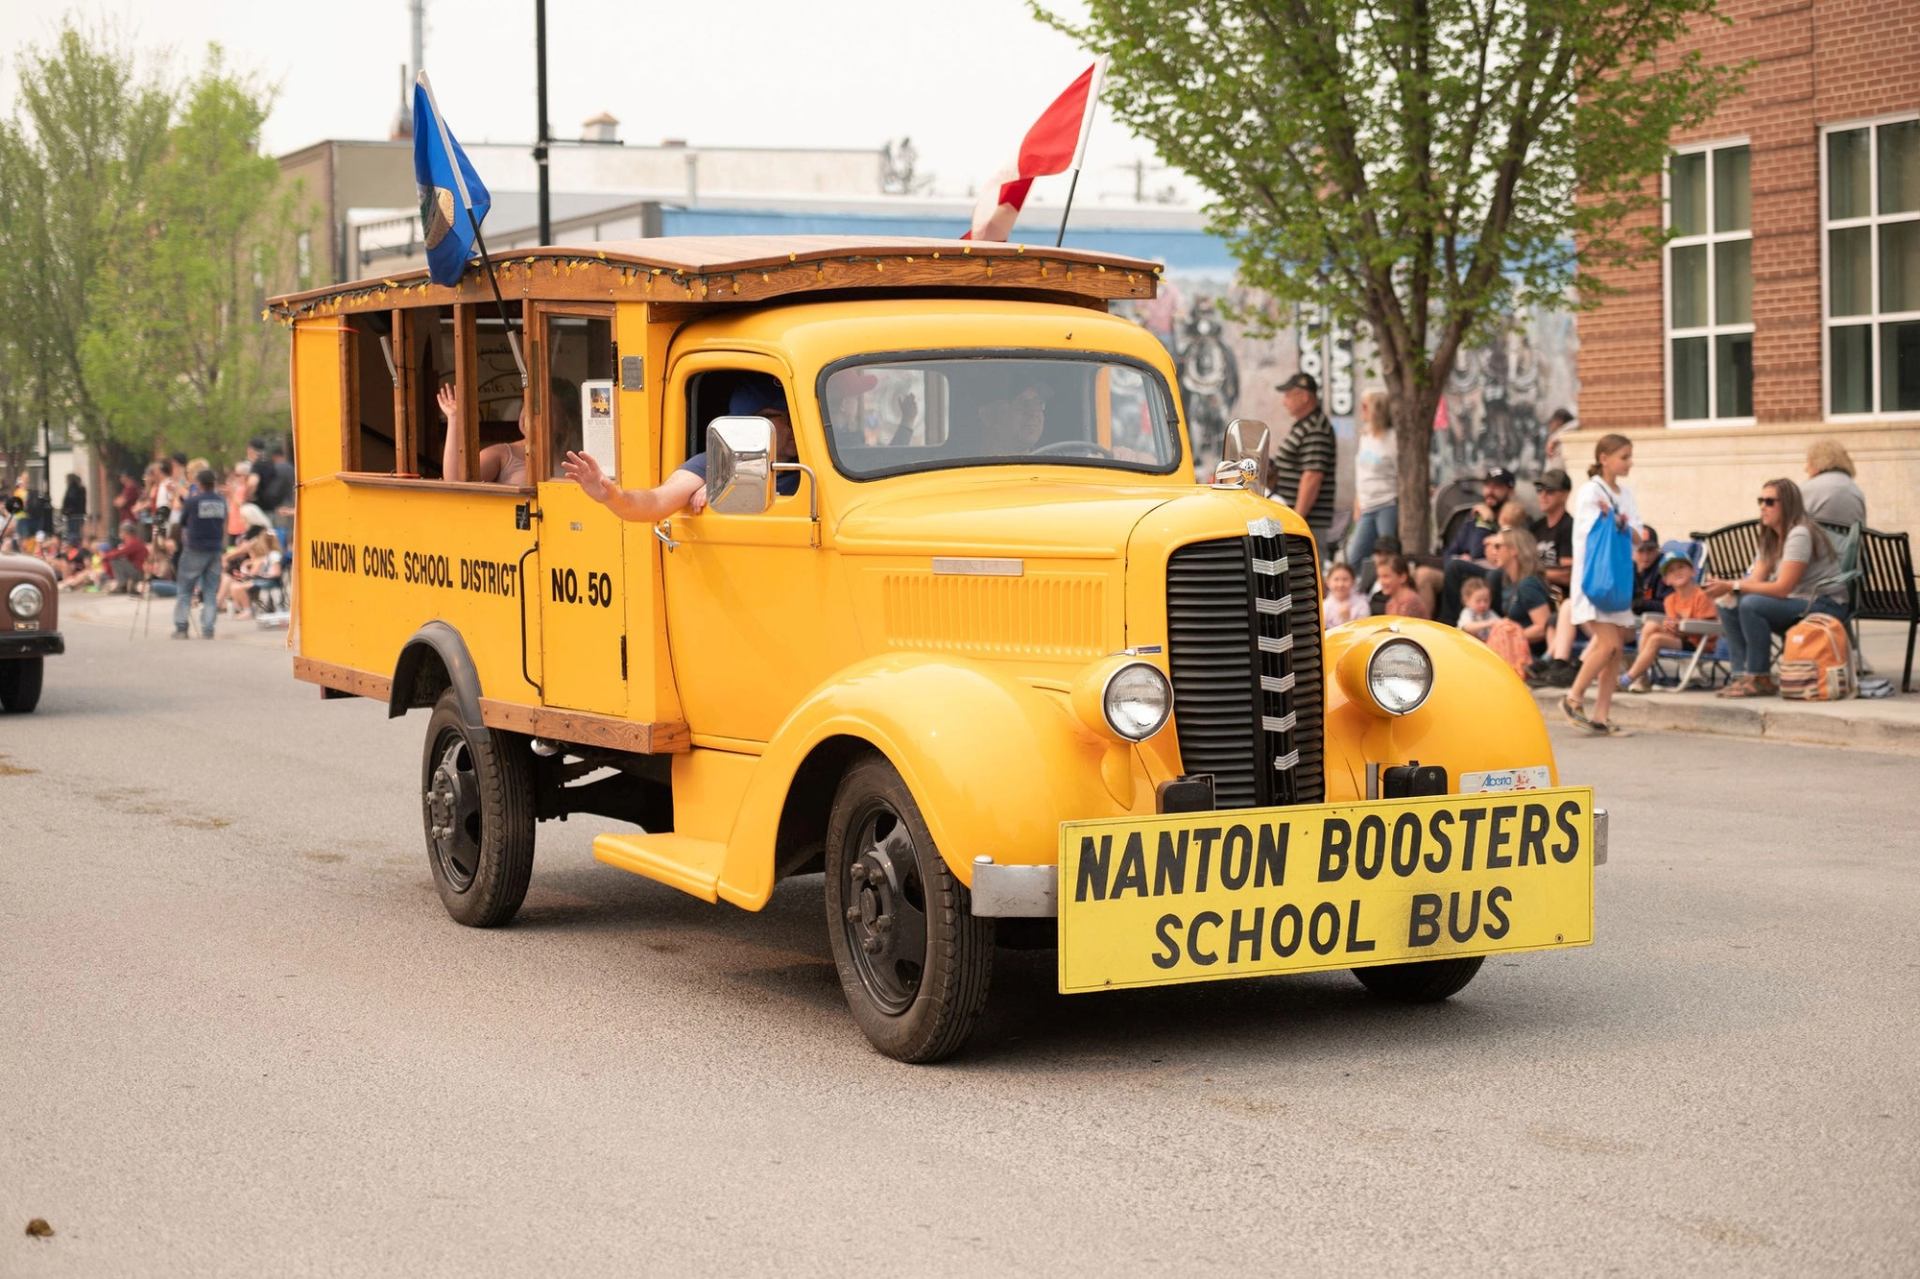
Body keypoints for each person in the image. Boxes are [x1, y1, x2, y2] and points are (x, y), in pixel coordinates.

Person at [564, 375, 798, 521]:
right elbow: (656, 502)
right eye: (785, 418)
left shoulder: (814, 460)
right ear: (750, 423)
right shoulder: (712, 465)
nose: (795, 427)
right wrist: (613, 497)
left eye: (797, 418)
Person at [1703, 477, 1850, 698]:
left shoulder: (1800, 533)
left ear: (1788, 504)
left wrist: (1732, 585)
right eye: (1760, 501)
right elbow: (1755, 581)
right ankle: (1741, 676)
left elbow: (1782, 588)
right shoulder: (1771, 537)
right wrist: (1725, 588)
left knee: (1751, 605)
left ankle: (1760, 678)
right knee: (1728, 603)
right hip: (1795, 601)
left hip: (1824, 604)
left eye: (1770, 502)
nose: (1763, 506)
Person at [1562, 433, 1640, 735]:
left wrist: (1620, 520)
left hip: (1617, 579)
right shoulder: (1590, 491)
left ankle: (1601, 715)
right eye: (1624, 457)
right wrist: (1618, 520)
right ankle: (1573, 698)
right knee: (1608, 644)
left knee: (1616, 650)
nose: (1629, 462)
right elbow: (1592, 531)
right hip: (1594, 578)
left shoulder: (1625, 494)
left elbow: (1638, 534)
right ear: (1604, 458)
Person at [1621, 550, 1718, 693]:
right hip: (1682, 639)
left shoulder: (1702, 596)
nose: (1677, 572)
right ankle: (1641, 677)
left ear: (1693, 572)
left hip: (1700, 644)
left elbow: (1709, 630)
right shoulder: (1670, 600)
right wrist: (1669, 626)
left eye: (1681, 567)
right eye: (1671, 571)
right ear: (1666, 580)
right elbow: (1674, 628)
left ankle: (1629, 678)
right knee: (1650, 626)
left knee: (1656, 639)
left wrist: (1681, 627)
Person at [1268, 371, 1337, 552]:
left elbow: (1312, 476)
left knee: (1308, 565)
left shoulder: (1315, 428)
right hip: (1299, 518)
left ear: (1304, 397)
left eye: (1288, 395)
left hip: (1308, 522)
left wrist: (1297, 519)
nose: (1284, 402)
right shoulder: (1305, 425)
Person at [1438, 466, 1517, 622]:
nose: (1490, 491)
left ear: (1510, 491)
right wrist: (1459, 558)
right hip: (1471, 568)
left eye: (1497, 487)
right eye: (1487, 486)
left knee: (1456, 567)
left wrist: (1487, 524)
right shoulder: (1475, 516)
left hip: (1497, 569)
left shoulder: (1514, 515)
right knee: (1435, 569)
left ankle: (1449, 622)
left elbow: (1477, 551)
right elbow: (1451, 550)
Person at [1482, 527, 1553, 677]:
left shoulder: (1528, 584)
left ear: (1514, 550)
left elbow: (1543, 627)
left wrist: (1507, 639)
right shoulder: (1508, 582)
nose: (1494, 551)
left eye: (1498, 546)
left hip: (1531, 656)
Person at [1344, 388, 1397, 589]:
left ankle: (1383, 592)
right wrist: (1358, 502)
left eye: (1365, 406)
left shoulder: (1392, 438)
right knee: (1354, 556)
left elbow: (1401, 474)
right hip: (1367, 505)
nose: (1362, 410)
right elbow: (1361, 474)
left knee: (1388, 558)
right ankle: (1359, 594)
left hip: (1387, 504)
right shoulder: (1365, 436)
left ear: (1377, 409)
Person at [171, 468, 227, 639]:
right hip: (215, 549)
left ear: (199, 484)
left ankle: (181, 627)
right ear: (214, 484)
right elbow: (224, 522)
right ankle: (208, 629)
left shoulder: (193, 501)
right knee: (210, 591)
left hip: (195, 548)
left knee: (185, 590)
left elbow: (182, 521)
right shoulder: (221, 501)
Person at [1801, 438, 1866, 529]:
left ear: (1817, 462)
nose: (1805, 468)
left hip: (1820, 538)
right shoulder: (1856, 491)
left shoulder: (1810, 488)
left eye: (1808, 461)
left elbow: (1791, 524)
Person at [1529, 469, 1575, 595]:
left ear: (1565, 495)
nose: (1543, 495)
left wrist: (1533, 572)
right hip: (1534, 589)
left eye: (1550, 491)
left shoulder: (1570, 527)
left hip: (1558, 595)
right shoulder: (1536, 527)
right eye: (1539, 489)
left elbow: (1568, 574)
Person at [97, 521, 150, 594]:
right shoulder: (132, 541)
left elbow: (120, 553)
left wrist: (105, 556)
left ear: (126, 532)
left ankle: (122, 585)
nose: (120, 534)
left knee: (115, 560)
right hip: (136, 569)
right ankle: (124, 584)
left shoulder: (133, 542)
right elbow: (120, 552)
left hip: (138, 571)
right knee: (118, 559)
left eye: (121, 532)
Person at [1372, 554, 1431, 619]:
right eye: (1379, 577)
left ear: (1402, 577)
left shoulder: (1410, 603)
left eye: (1386, 576)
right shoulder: (1390, 603)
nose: (1381, 581)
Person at [1629, 524, 1667, 614]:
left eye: (1650, 550)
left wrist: (1639, 603)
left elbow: (1668, 605)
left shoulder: (1666, 568)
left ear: (1657, 549)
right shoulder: (1625, 567)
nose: (1645, 557)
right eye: (1640, 550)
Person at [1322, 561, 1370, 628]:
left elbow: (1363, 630)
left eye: (1345, 579)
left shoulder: (1361, 604)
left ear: (1353, 582)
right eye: (1336, 579)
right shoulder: (1323, 607)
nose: (1340, 584)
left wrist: (1346, 619)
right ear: (1328, 582)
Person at [60, 473, 86, 544]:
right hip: (80, 514)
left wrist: (66, 510)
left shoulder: (72, 488)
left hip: (72, 515)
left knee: (72, 532)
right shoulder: (81, 489)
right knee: (77, 531)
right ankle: (77, 544)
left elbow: (71, 500)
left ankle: (73, 545)